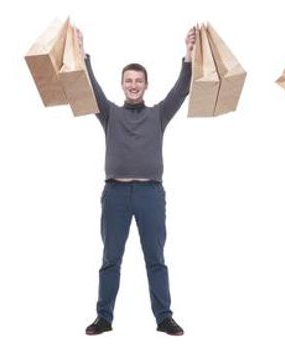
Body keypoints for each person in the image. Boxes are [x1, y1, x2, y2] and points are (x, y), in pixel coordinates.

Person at [76, 25, 197, 337]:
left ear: (145, 85)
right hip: (115, 193)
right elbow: (91, 89)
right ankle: (104, 318)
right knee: (110, 259)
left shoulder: (158, 114)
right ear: (122, 85)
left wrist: (188, 55)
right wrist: (81, 53)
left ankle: (164, 318)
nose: (133, 85)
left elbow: (181, 90)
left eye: (138, 81)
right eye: (128, 81)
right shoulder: (110, 114)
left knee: (156, 259)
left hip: (150, 194)